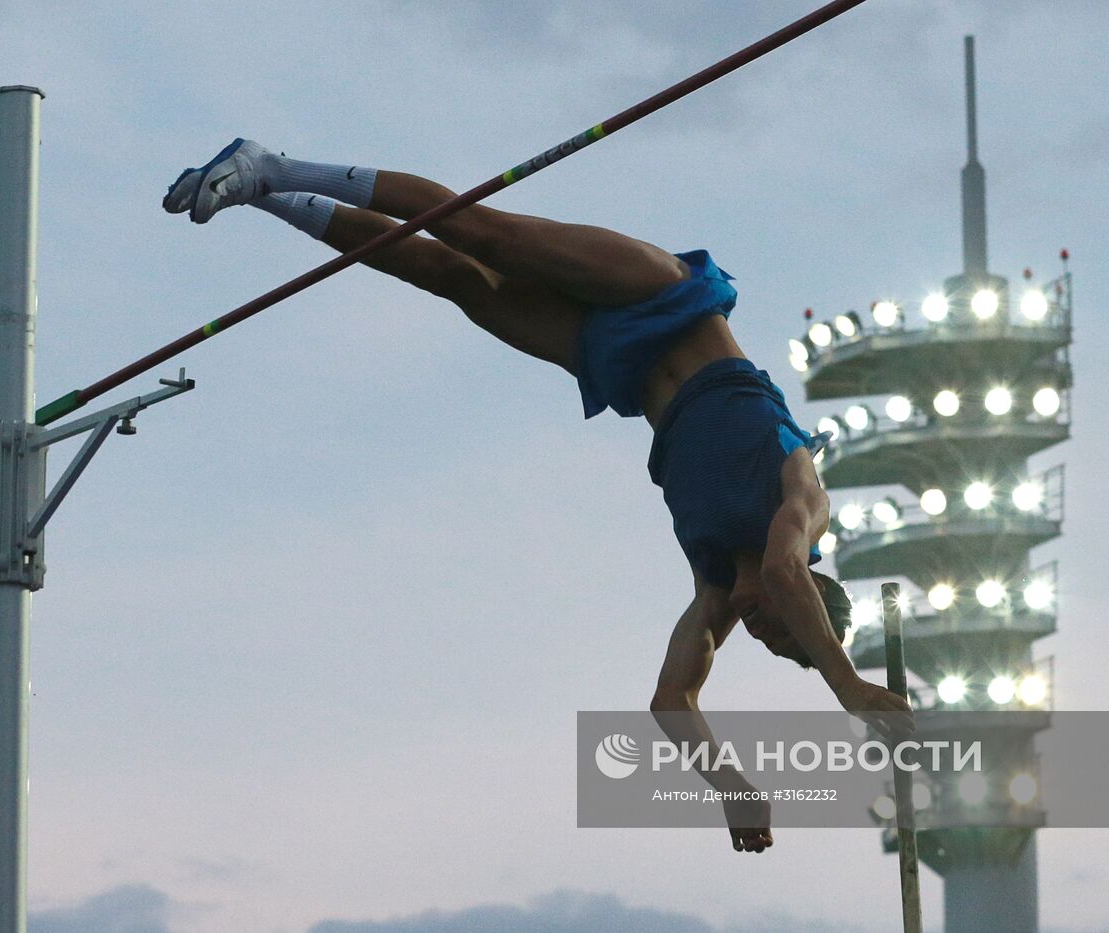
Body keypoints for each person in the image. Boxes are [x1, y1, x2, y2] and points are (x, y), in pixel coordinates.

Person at [164, 139, 914, 853]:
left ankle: (263, 194)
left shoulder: (713, 588)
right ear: (808, 595)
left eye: (770, 644)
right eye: (785, 629)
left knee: (448, 277)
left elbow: (670, 703)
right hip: (667, 302)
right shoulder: (805, 507)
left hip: (613, 361)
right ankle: (279, 163)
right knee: (486, 237)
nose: (760, 627)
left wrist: (730, 788)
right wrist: (845, 682)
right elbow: (782, 575)